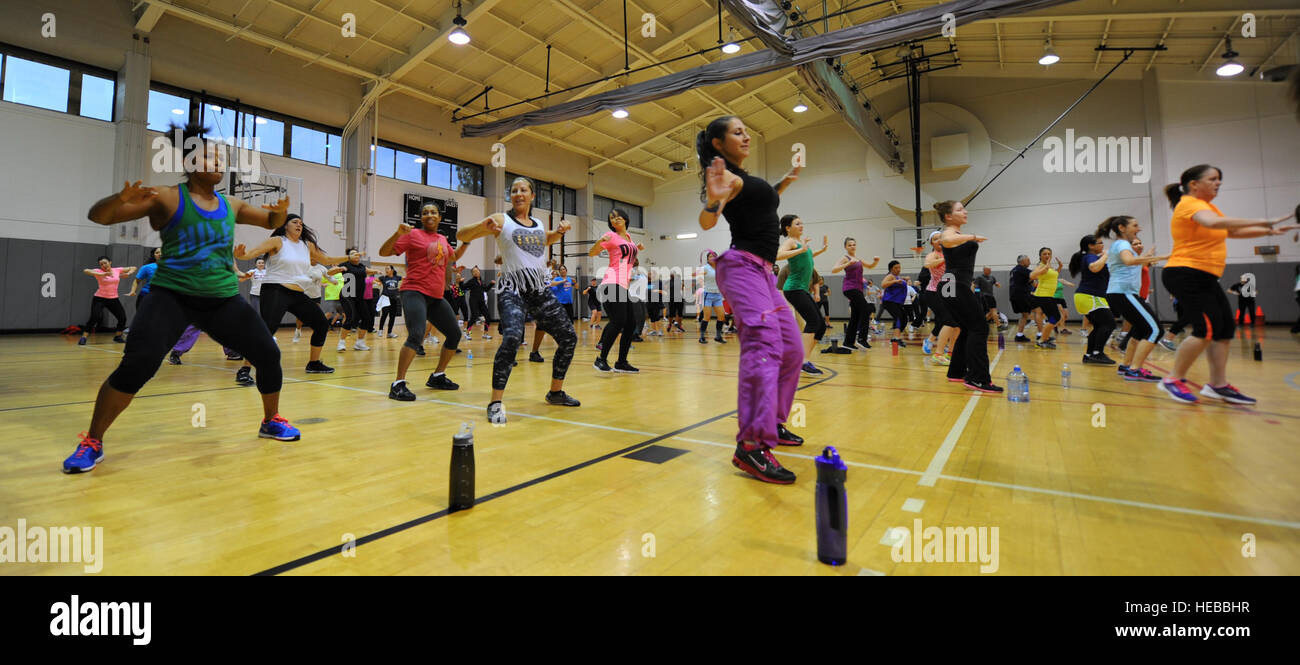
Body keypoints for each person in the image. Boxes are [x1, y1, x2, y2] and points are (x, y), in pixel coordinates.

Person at [63, 122, 300, 474]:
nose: (218, 162)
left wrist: (280, 212)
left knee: (268, 353)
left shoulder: (230, 204)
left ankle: (270, 421)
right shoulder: (167, 197)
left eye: (221, 158)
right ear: (190, 163)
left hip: (220, 299)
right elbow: (99, 216)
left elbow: (269, 221)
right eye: (210, 157)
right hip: (171, 297)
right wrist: (120, 200)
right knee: (137, 365)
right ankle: (93, 441)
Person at [697, 115, 806, 485]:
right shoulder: (724, 175)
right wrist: (713, 203)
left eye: (746, 130)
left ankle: (772, 424)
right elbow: (708, 220)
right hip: (741, 267)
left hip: (764, 272)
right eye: (737, 132)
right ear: (717, 143)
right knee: (764, 345)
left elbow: (764, 198)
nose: (745, 136)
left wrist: (788, 179)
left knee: (791, 350)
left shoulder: (748, 179)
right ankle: (751, 445)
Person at [1157, 164, 1294, 404]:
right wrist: (1265, 220)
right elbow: (1212, 224)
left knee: (1224, 329)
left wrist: (1270, 230)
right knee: (1206, 329)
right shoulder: (1190, 204)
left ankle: (1217, 385)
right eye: (1212, 179)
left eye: (1219, 179)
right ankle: (1173, 379)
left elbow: (1231, 232)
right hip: (1185, 273)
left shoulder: (1209, 207)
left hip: (1204, 275)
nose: (1218, 183)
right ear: (1194, 184)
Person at [457, 176, 581, 422]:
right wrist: (483, 225)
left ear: (532, 196)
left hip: (538, 290)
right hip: (512, 288)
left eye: (523, 190)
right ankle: (495, 402)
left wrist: (558, 233)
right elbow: (462, 233)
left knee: (569, 337)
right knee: (512, 336)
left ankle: (555, 393)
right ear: (510, 196)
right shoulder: (502, 220)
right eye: (514, 190)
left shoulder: (535, 223)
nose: (518, 193)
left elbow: (544, 239)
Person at [233, 213, 348, 378]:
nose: (299, 225)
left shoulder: (307, 245)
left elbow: (327, 259)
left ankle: (314, 363)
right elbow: (252, 252)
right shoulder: (278, 241)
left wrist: (348, 257)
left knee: (321, 324)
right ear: (285, 225)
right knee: (268, 329)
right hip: (275, 289)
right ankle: (244, 369)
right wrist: (241, 255)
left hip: (297, 293)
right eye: (295, 222)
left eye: (301, 223)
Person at [379, 202, 470, 401]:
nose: (430, 215)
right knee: (417, 334)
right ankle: (398, 384)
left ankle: (437, 376)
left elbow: (453, 256)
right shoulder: (412, 235)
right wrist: (397, 233)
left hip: (435, 296)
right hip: (414, 291)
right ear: (421, 218)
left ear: (439, 217)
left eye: (434, 212)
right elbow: (383, 252)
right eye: (426, 212)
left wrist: (467, 242)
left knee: (454, 334)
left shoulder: (442, 238)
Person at [935, 201, 1002, 393]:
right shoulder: (948, 233)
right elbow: (945, 241)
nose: (964, 211)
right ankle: (978, 378)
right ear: (948, 216)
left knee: (967, 328)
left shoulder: (957, 234)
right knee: (980, 327)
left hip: (955, 284)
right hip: (952, 283)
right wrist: (973, 237)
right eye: (959, 209)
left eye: (964, 208)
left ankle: (956, 372)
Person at [1097, 215, 1169, 381]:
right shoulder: (1122, 244)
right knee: (1155, 330)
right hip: (1123, 294)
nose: (1139, 228)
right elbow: (1129, 261)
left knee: (1140, 330)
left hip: (1121, 294)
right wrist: (1161, 257)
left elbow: (1133, 261)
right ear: (1122, 228)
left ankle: (1127, 366)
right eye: (1135, 225)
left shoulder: (1122, 245)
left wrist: (1149, 256)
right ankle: (1134, 370)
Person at [589, 208, 645, 373]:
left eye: (618, 216)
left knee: (631, 324)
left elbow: (626, 258)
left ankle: (621, 362)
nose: (615, 219)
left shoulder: (628, 238)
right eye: (611, 217)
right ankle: (601, 359)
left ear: (625, 219)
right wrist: (600, 241)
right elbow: (592, 252)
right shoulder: (611, 236)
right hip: (611, 283)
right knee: (619, 321)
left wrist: (638, 248)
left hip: (622, 286)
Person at [777, 216, 829, 374]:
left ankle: (802, 358)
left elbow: (806, 257)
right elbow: (778, 255)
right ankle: (803, 361)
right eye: (797, 223)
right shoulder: (791, 241)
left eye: (801, 223)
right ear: (788, 228)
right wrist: (800, 249)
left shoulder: (801, 244)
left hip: (802, 289)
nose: (801, 225)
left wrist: (822, 249)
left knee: (820, 325)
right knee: (813, 321)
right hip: (793, 288)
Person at [1066, 234, 1117, 365]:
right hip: (1090, 296)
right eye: (1099, 243)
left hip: (1088, 296)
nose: (1102, 245)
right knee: (1109, 324)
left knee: (1099, 325)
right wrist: (1105, 255)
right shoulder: (1090, 257)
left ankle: (1089, 354)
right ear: (1091, 246)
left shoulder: (1093, 257)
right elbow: (1094, 268)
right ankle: (1097, 353)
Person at [830, 239, 880, 350]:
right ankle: (862, 339)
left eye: (854, 244)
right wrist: (848, 263)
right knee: (866, 309)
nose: (852, 246)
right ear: (846, 247)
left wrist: (875, 261)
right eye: (849, 245)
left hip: (858, 289)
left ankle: (848, 342)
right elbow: (834, 270)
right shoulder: (845, 258)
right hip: (850, 288)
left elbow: (870, 266)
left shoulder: (858, 259)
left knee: (855, 316)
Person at [921, 231, 960, 366]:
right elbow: (927, 264)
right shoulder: (932, 255)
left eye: (940, 238)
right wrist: (944, 259)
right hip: (933, 293)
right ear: (932, 242)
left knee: (957, 326)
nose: (938, 241)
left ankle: (950, 353)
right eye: (935, 239)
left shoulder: (950, 253)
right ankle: (938, 353)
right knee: (948, 321)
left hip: (948, 291)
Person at [78, 257, 137, 345]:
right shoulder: (98, 271)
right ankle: (84, 337)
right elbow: (86, 270)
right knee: (94, 317)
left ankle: (118, 336)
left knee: (122, 318)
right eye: (101, 264)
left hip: (113, 299)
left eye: (105, 263)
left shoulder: (117, 270)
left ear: (110, 262)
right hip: (99, 298)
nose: (103, 265)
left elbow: (134, 267)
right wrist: (102, 274)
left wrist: (128, 273)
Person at [335, 248, 382, 352]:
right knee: (350, 318)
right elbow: (332, 271)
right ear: (348, 256)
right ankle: (341, 342)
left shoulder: (361, 266)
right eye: (353, 253)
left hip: (359, 297)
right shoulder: (345, 265)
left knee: (367, 318)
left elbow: (367, 270)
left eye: (357, 253)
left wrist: (376, 271)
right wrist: (337, 269)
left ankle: (360, 343)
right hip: (347, 295)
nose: (356, 255)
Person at [1029, 248, 1062, 349]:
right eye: (1044, 254)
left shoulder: (1049, 267)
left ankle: (1044, 337)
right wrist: (1045, 268)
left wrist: (1060, 267)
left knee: (1054, 317)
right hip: (1042, 295)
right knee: (1055, 317)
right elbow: (1032, 275)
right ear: (1040, 256)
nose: (1047, 255)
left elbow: (1052, 277)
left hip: (1048, 296)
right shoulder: (1041, 266)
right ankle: (1042, 340)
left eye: (1049, 254)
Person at [697, 250, 728, 344]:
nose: (712, 258)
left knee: (721, 316)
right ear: (707, 258)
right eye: (710, 256)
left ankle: (718, 336)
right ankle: (702, 337)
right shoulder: (705, 268)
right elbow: (698, 277)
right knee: (707, 317)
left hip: (718, 295)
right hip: (708, 295)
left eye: (714, 256)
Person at [880, 261, 909, 348]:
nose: (898, 269)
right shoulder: (890, 276)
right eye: (896, 268)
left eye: (899, 267)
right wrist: (895, 281)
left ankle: (895, 338)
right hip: (890, 301)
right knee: (899, 317)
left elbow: (897, 282)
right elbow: (883, 285)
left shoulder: (896, 277)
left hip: (897, 302)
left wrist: (902, 279)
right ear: (891, 269)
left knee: (904, 319)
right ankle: (896, 339)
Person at [1009, 254, 1034, 342]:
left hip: (1015, 295)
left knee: (1025, 314)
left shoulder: (1014, 270)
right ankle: (1040, 334)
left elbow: (1027, 281)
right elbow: (1035, 274)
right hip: (1020, 295)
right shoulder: (1022, 269)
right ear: (1022, 262)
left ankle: (1019, 335)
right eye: (1028, 260)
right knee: (1034, 312)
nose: (1030, 262)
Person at [464, 266, 493, 340]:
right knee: (474, 316)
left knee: (488, 316)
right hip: (473, 301)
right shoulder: (471, 281)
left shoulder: (481, 281)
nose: (476, 272)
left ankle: (485, 334)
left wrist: (491, 284)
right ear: (472, 274)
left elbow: (485, 289)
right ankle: (467, 333)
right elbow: (463, 287)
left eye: (477, 271)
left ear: (479, 272)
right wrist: (460, 282)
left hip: (481, 301)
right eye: (474, 271)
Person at [377, 266, 403, 338]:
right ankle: (380, 330)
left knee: (392, 316)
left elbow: (405, 278)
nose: (386, 270)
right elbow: (376, 280)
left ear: (392, 270)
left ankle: (389, 333)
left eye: (388, 268)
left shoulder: (397, 277)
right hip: (385, 299)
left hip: (394, 299)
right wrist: (375, 282)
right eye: (385, 269)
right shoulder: (383, 278)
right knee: (384, 314)